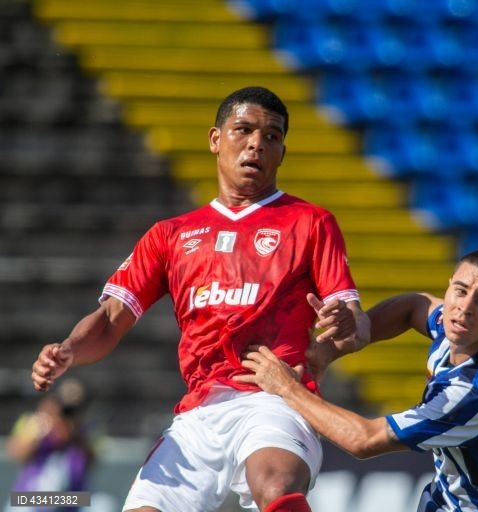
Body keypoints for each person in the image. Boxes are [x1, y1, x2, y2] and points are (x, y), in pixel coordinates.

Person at [29, 86, 369, 512]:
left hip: (274, 398)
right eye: (243, 130)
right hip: (199, 414)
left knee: (274, 484)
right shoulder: (170, 235)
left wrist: (347, 323)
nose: (256, 144)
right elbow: (112, 317)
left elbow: (356, 325)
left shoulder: (311, 223)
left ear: (282, 153)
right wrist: (69, 351)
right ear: (215, 139)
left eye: (271, 136)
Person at [236, 249, 478, 512]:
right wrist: (329, 352)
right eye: (461, 291)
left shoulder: (472, 393)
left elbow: (364, 440)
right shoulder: (473, 331)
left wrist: (287, 388)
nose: (464, 308)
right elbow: (414, 305)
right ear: (449, 286)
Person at [5, 378, 93, 512]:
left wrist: (74, 432)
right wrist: (40, 430)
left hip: (71, 500)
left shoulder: (85, 429)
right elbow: (16, 453)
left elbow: (91, 460)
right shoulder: (34, 422)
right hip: (29, 496)